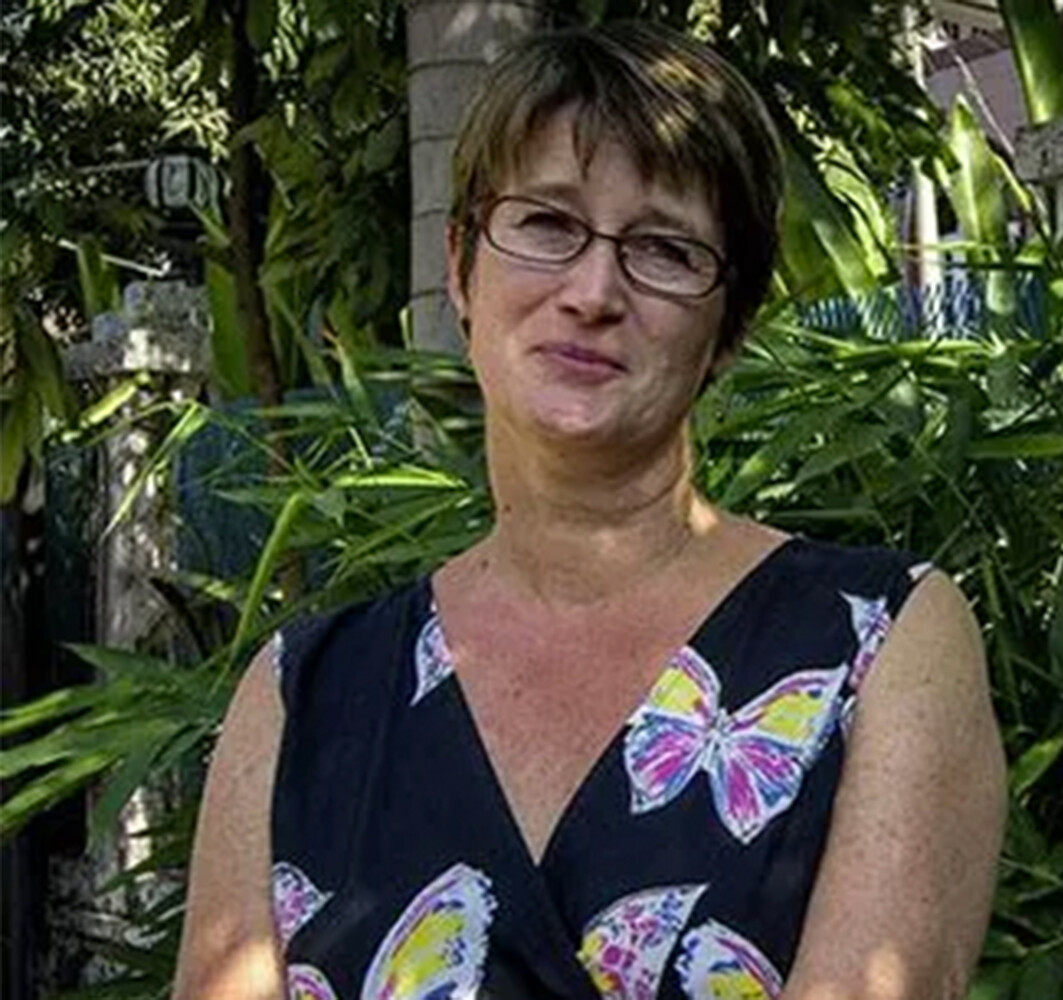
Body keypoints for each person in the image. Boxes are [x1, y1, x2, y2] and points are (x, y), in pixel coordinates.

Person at [173, 20, 1005, 1000]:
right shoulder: (304, 699)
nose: (593, 290)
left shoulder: (878, 642)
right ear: (461, 264)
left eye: (665, 248)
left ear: (729, 326)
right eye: (547, 224)